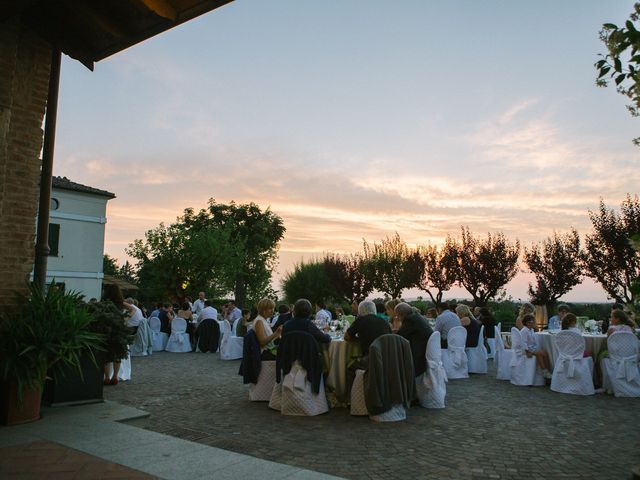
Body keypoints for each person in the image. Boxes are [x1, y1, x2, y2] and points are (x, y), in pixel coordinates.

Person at [395, 302, 433, 376]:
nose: (398, 318)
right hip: (427, 348)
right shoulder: (417, 316)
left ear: (402, 315)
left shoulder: (409, 320)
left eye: (397, 316)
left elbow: (399, 337)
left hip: (420, 354)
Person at [102, 284, 126, 385]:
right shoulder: (121, 303)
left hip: (106, 329)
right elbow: (134, 310)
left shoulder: (104, 302)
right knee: (118, 354)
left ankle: (107, 377)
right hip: (118, 329)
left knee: (105, 355)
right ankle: (115, 376)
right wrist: (125, 319)